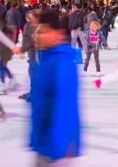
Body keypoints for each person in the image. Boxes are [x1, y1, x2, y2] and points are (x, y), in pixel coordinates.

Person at [30, 10, 81, 167]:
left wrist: (59, 147)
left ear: (58, 33)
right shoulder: (46, 58)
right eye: (38, 31)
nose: (38, 35)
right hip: (43, 142)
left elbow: (64, 104)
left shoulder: (61, 62)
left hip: (55, 147)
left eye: (44, 31)